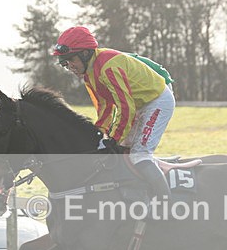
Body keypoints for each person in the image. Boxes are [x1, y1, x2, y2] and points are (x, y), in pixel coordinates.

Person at [52, 26, 174, 199]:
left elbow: (125, 107)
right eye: (64, 64)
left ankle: (166, 203)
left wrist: (114, 138)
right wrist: (100, 134)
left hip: (157, 101)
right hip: (140, 104)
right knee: (122, 151)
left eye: (71, 60)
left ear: (86, 54)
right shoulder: (89, 74)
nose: (69, 66)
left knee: (139, 155)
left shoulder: (108, 67)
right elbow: (105, 107)